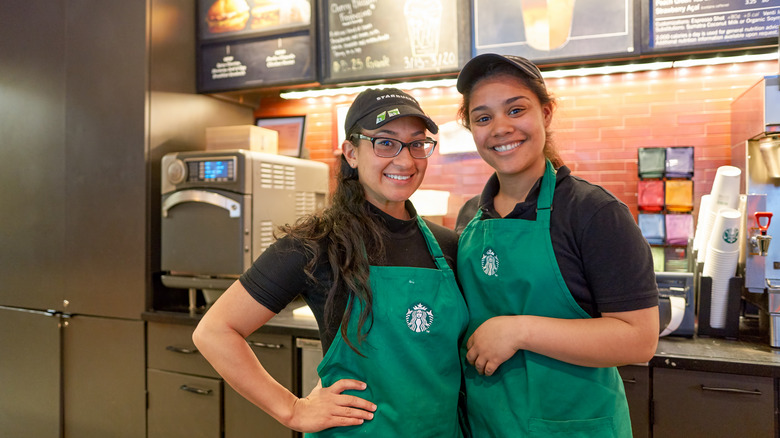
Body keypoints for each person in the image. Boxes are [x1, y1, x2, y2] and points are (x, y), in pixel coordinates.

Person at [192, 88, 468, 437]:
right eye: (385, 142)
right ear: (352, 153)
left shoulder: (449, 246)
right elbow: (215, 331)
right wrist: (293, 410)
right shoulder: (318, 244)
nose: (405, 160)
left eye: (417, 143)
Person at [453, 53, 660, 437]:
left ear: (546, 114)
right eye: (483, 118)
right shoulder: (470, 217)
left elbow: (639, 339)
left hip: (573, 425)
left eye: (516, 110)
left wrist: (519, 331)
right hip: (488, 424)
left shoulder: (594, 213)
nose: (500, 128)